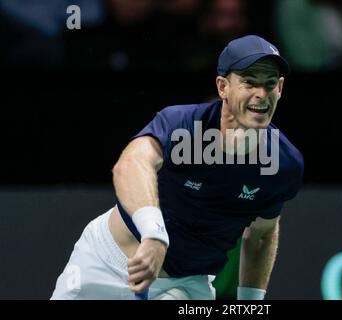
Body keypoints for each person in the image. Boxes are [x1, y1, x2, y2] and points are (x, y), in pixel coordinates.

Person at [51, 35, 304, 300]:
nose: (261, 94)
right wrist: (153, 234)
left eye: (269, 84)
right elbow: (131, 163)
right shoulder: (182, 124)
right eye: (249, 82)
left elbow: (262, 234)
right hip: (106, 262)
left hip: (185, 287)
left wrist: (251, 303)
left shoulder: (282, 163)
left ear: (280, 88)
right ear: (223, 87)